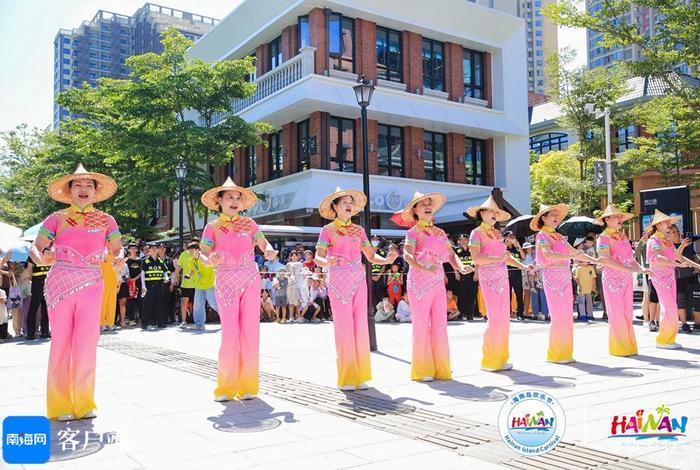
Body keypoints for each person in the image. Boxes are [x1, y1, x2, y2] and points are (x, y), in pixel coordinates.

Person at [30, 164, 123, 421]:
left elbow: (118, 249)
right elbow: (35, 248)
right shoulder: (55, 219)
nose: (84, 189)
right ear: (69, 191)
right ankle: (60, 406)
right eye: (78, 185)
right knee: (61, 343)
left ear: (95, 191)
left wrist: (119, 258)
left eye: (89, 185)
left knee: (86, 344)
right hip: (60, 282)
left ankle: (84, 403)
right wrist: (41, 258)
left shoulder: (106, 220)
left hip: (93, 283)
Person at [200, 177, 277, 402]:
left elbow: (264, 244)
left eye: (238, 197)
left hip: (250, 280)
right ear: (219, 201)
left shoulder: (250, 224)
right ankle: (225, 387)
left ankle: (248, 386)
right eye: (230, 197)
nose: (234, 200)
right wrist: (209, 259)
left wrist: (270, 251)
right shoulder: (211, 227)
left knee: (250, 332)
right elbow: (204, 253)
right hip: (224, 281)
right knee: (230, 333)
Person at [314, 187, 397, 391]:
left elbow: (370, 255)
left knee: (360, 327)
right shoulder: (327, 230)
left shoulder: (359, 231)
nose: (349, 205)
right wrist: (327, 261)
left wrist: (386, 259)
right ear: (335, 207)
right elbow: (318, 257)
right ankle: (347, 377)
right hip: (338, 282)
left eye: (351, 202)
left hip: (359, 281)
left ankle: (360, 376)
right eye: (344, 202)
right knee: (344, 329)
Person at [402, 191, 472, 382]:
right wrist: (423, 265)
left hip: (438, 282)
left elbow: (450, 255)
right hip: (419, 282)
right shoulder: (413, 232)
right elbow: (407, 255)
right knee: (421, 325)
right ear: (415, 210)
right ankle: (422, 370)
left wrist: (460, 266)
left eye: (429, 203)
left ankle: (441, 369)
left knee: (440, 325)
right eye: (422, 204)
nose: (427, 206)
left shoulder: (440, 233)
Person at [467, 196, 531, 372]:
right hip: (489, 278)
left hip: (503, 278)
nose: (494, 214)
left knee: (504, 319)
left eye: (496, 212)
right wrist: (497, 259)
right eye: (491, 211)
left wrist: (523, 266)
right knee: (495, 318)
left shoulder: (497, 234)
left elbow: (507, 257)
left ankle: (502, 358)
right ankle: (490, 360)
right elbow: (475, 258)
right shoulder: (476, 233)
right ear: (482, 213)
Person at [531, 204, 596, 364]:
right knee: (558, 314)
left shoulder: (559, 236)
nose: (556, 217)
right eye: (552, 214)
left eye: (557, 215)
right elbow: (547, 254)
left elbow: (574, 252)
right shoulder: (542, 236)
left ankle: (565, 353)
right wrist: (565, 256)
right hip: (552, 276)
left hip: (565, 276)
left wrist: (595, 260)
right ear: (543, 218)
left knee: (567, 315)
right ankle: (556, 354)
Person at [594, 204, 648, 357]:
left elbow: (631, 259)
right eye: (616, 217)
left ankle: (629, 347)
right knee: (616, 313)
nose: (619, 219)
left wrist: (641, 269)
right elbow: (605, 260)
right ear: (607, 219)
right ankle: (620, 348)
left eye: (620, 217)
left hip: (626, 279)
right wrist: (630, 270)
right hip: (612, 281)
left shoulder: (623, 236)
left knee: (627, 312)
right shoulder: (603, 238)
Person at [645, 211, 696, 349]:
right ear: (658, 225)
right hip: (660, 276)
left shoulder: (666, 240)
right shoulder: (653, 240)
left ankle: (669, 339)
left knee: (671, 306)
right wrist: (676, 264)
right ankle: (663, 340)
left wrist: (696, 265)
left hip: (670, 276)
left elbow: (677, 255)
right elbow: (657, 258)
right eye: (666, 222)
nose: (669, 225)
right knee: (668, 307)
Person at [669, 225, 700, 333]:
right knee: (681, 301)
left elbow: (693, 256)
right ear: (668, 235)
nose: (677, 233)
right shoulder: (670, 246)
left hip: (692, 276)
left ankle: (697, 324)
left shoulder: (687, 244)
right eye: (673, 232)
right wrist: (682, 245)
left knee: (697, 300)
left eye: (677, 231)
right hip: (679, 277)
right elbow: (676, 255)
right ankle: (684, 324)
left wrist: (697, 265)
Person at [23, 253, 52, 339]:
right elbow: (29, 269)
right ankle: (31, 332)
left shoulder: (49, 253)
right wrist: (33, 279)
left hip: (47, 281)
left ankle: (45, 331)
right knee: (34, 307)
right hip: (37, 282)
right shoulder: (33, 255)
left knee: (46, 307)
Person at [140, 243, 168, 329]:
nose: (154, 250)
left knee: (159, 304)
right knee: (148, 304)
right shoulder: (145, 261)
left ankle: (160, 322)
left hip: (159, 285)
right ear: (149, 250)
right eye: (152, 248)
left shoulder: (161, 261)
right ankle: (144, 323)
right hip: (149, 285)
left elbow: (165, 271)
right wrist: (143, 286)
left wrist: (166, 277)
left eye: (156, 248)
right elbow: (142, 274)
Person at [452, 234, 478, 321]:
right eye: (461, 240)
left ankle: (470, 314)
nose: (463, 241)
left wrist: (476, 273)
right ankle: (460, 314)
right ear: (458, 241)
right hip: (461, 276)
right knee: (461, 296)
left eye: (465, 239)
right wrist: (456, 272)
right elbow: (453, 261)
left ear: (468, 240)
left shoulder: (473, 249)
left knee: (472, 295)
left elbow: (478, 262)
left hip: (472, 275)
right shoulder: (456, 250)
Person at [173, 242, 199, 327]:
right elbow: (178, 266)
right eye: (190, 247)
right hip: (186, 283)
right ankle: (183, 321)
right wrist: (175, 277)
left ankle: (198, 322)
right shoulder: (184, 254)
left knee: (198, 304)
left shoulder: (200, 255)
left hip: (198, 284)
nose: (191, 249)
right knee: (184, 302)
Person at [504, 231, 526, 320]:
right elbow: (501, 253)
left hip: (517, 273)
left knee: (519, 293)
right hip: (507, 273)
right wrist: (506, 244)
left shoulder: (516, 248)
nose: (512, 238)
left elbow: (523, 257)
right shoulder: (503, 248)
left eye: (513, 236)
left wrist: (519, 246)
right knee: (507, 294)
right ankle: (507, 313)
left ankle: (520, 313)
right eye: (510, 236)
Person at [99, 252, 119, 331]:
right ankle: (101, 323)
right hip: (104, 285)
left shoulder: (115, 257)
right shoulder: (101, 256)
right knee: (103, 305)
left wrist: (118, 283)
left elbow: (117, 271)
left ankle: (110, 323)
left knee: (112, 305)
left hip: (113, 284)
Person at [124, 243, 142, 327]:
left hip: (138, 283)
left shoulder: (140, 261)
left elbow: (142, 272)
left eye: (135, 248)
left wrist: (135, 279)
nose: (134, 250)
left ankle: (141, 318)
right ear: (129, 250)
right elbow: (123, 271)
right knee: (130, 302)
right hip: (128, 283)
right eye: (132, 248)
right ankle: (131, 319)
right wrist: (128, 279)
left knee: (140, 301)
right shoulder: (126, 260)